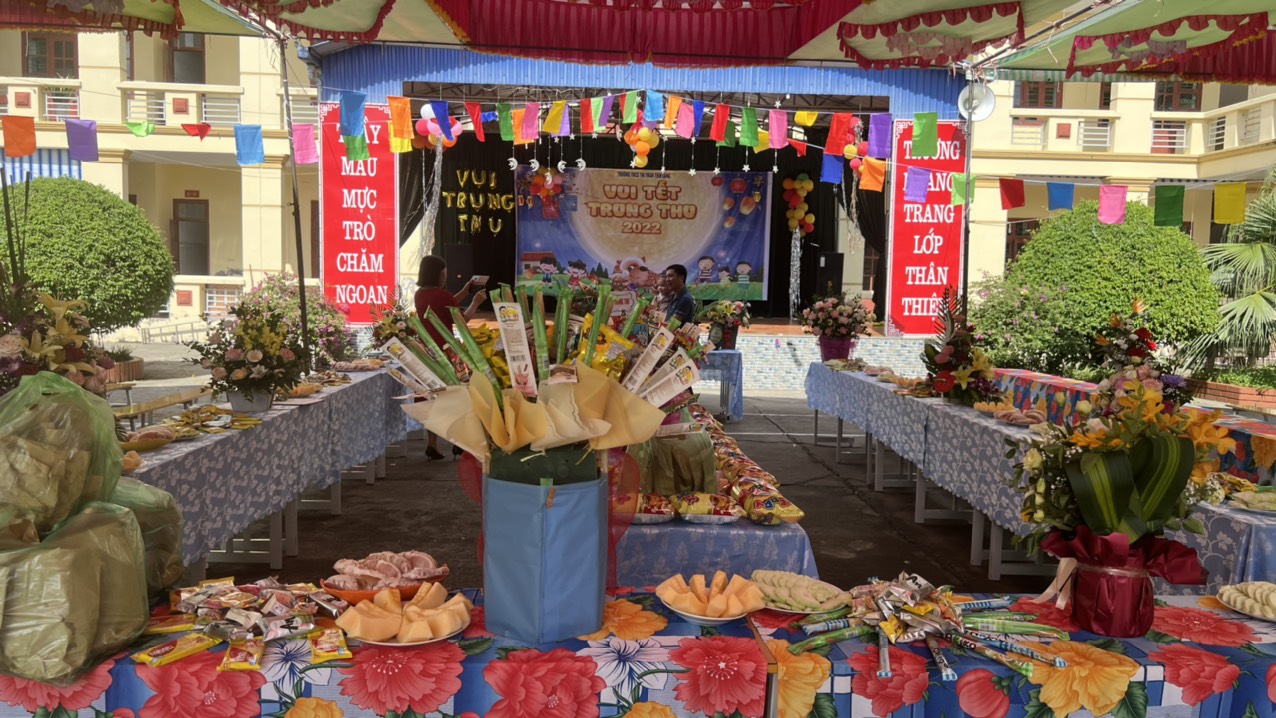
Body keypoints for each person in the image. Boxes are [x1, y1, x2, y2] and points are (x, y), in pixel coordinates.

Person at [414, 255, 487, 461]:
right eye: (444, 273)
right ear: (438, 275)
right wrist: (475, 302)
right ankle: (458, 442)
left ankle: (432, 444)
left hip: (426, 352)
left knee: (433, 397)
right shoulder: (443, 295)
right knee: (457, 396)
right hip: (446, 353)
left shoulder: (420, 294)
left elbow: (443, 306)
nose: (446, 276)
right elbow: (462, 319)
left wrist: (464, 291)